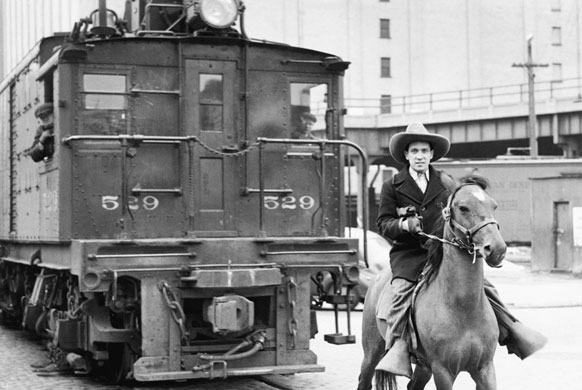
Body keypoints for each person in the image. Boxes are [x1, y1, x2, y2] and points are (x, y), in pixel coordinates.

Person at [375, 122, 547, 377]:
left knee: (486, 288)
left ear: (432, 154)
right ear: (406, 155)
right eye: (414, 151)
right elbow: (383, 224)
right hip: (409, 255)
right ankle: (399, 346)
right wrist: (405, 224)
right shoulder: (393, 185)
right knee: (400, 291)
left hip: (446, 251)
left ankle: (511, 329)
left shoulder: (447, 184)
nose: (420, 155)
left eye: (424, 150)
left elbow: (464, 213)